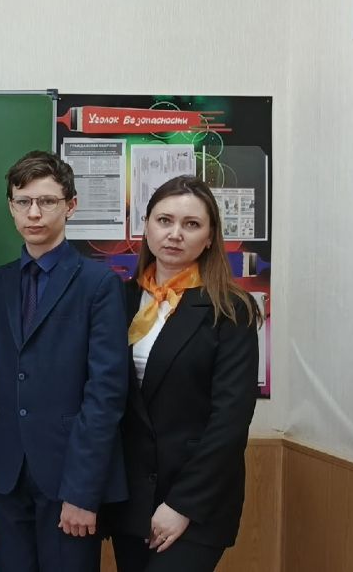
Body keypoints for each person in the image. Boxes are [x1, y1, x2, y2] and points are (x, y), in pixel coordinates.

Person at [0, 150, 127, 572]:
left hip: (68, 476)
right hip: (6, 473)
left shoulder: (99, 284)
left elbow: (106, 393)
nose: (34, 213)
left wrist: (83, 491)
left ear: (70, 205)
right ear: (11, 207)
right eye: (23, 202)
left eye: (47, 201)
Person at [105, 176, 261, 572]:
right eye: (164, 220)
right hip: (131, 498)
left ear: (209, 238)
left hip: (195, 501)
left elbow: (230, 420)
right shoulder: (119, 300)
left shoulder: (231, 309)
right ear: (146, 226)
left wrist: (181, 505)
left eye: (191, 224)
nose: (175, 234)